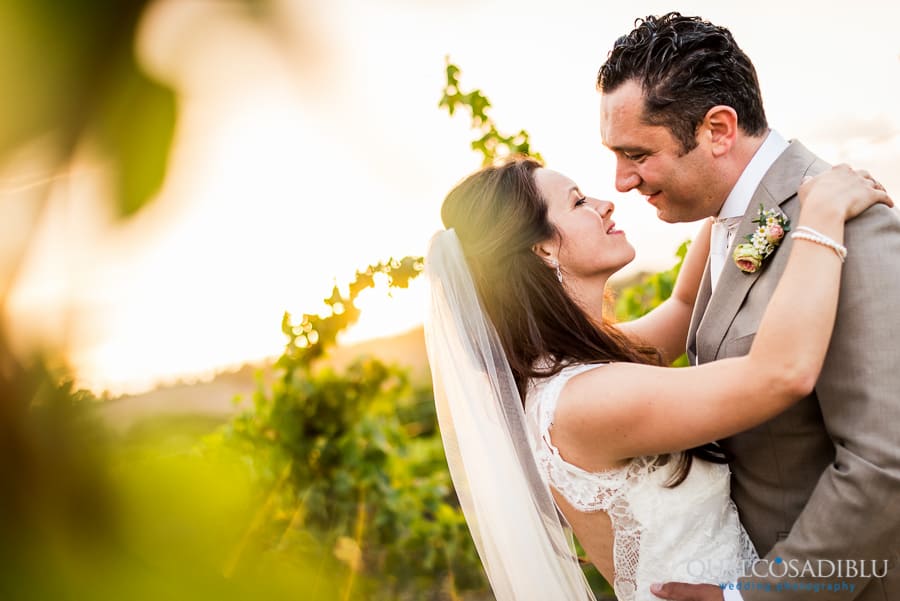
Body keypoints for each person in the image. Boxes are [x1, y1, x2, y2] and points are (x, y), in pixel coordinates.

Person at [424, 155, 889, 601]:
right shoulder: (585, 400)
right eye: (578, 201)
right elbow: (781, 374)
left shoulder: (568, 366)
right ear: (543, 249)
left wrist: (749, 190)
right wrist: (822, 218)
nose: (605, 203)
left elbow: (684, 306)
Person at [596, 13, 900, 601]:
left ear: (717, 129)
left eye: (636, 153)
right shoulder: (746, 216)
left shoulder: (853, 227)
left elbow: (886, 462)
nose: (621, 181)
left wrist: (756, 597)